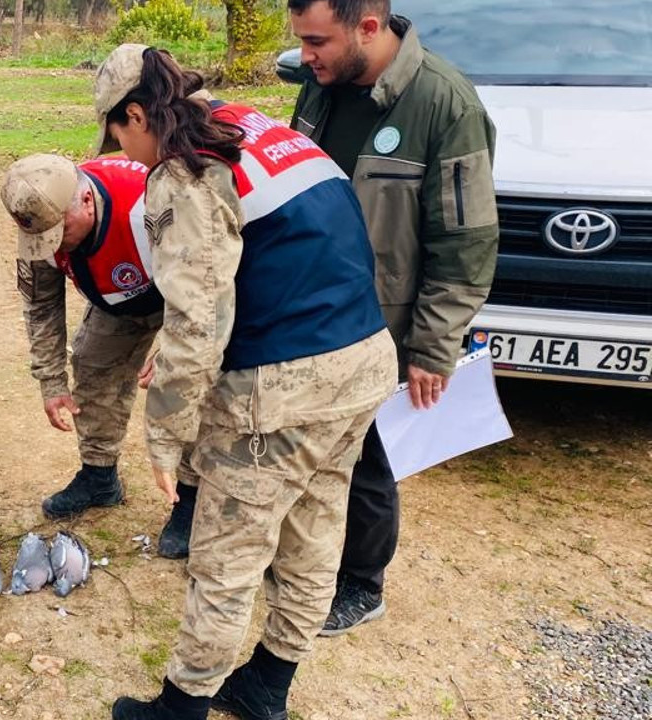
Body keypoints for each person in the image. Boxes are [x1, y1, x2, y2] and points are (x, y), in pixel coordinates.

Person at [94, 44, 398, 720]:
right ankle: (268, 685)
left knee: (228, 554)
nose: (123, 151)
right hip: (362, 360)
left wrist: (166, 438)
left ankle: (182, 706)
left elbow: (197, 320)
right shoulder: (260, 130)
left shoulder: (188, 171)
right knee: (316, 529)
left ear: (138, 113)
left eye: (118, 132)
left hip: (282, 387)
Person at [287, 0, 499, 636]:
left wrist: (434, 347)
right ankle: (308, 559)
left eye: (317, 40)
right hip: (312, 308)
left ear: (369, 28)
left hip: (384, 324)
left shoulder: (445, 105)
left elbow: (465, 242)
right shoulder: (318, 90)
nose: (306, 55)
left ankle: (361, 582)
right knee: (315, 445)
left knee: (369, 458)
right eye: (301, 41)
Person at [0, 153, 194, 558]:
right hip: (116, 302)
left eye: (61, 232)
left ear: (86, 201)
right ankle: (99, 476)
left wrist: (179, 345)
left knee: (190, 384)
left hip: (184, 295)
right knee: (92, 366)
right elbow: (40, 307)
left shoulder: (152, 203)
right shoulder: (41, 228)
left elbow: (207, 281)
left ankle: (190, 498)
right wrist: (51, 382)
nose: (54, 245)